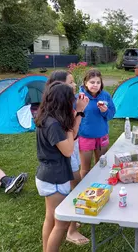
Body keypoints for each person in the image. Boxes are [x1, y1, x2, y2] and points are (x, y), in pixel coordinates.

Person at [35, 81, 89, 252]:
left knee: (51, 218)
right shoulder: (54, 125)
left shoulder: (47, 118)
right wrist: (76, 116)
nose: (73, 101)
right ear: (62, 102)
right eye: (70, 99)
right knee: (61, 223)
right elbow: (68, 149)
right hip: (54, 178)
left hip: (49, 175)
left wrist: (77, 115)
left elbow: (69, 139)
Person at [78, 69, 116, 179]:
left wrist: (105, 111)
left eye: (98, 82)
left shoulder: (105, 96)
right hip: (86, 136)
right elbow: (74, 117)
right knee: (85, 169)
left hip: (102, 136)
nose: (95, 85)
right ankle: (83, 191)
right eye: (92, 82)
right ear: (85, 83)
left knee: (101, 165)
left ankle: (99, 188)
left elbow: (111, 115)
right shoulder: (79, 97)